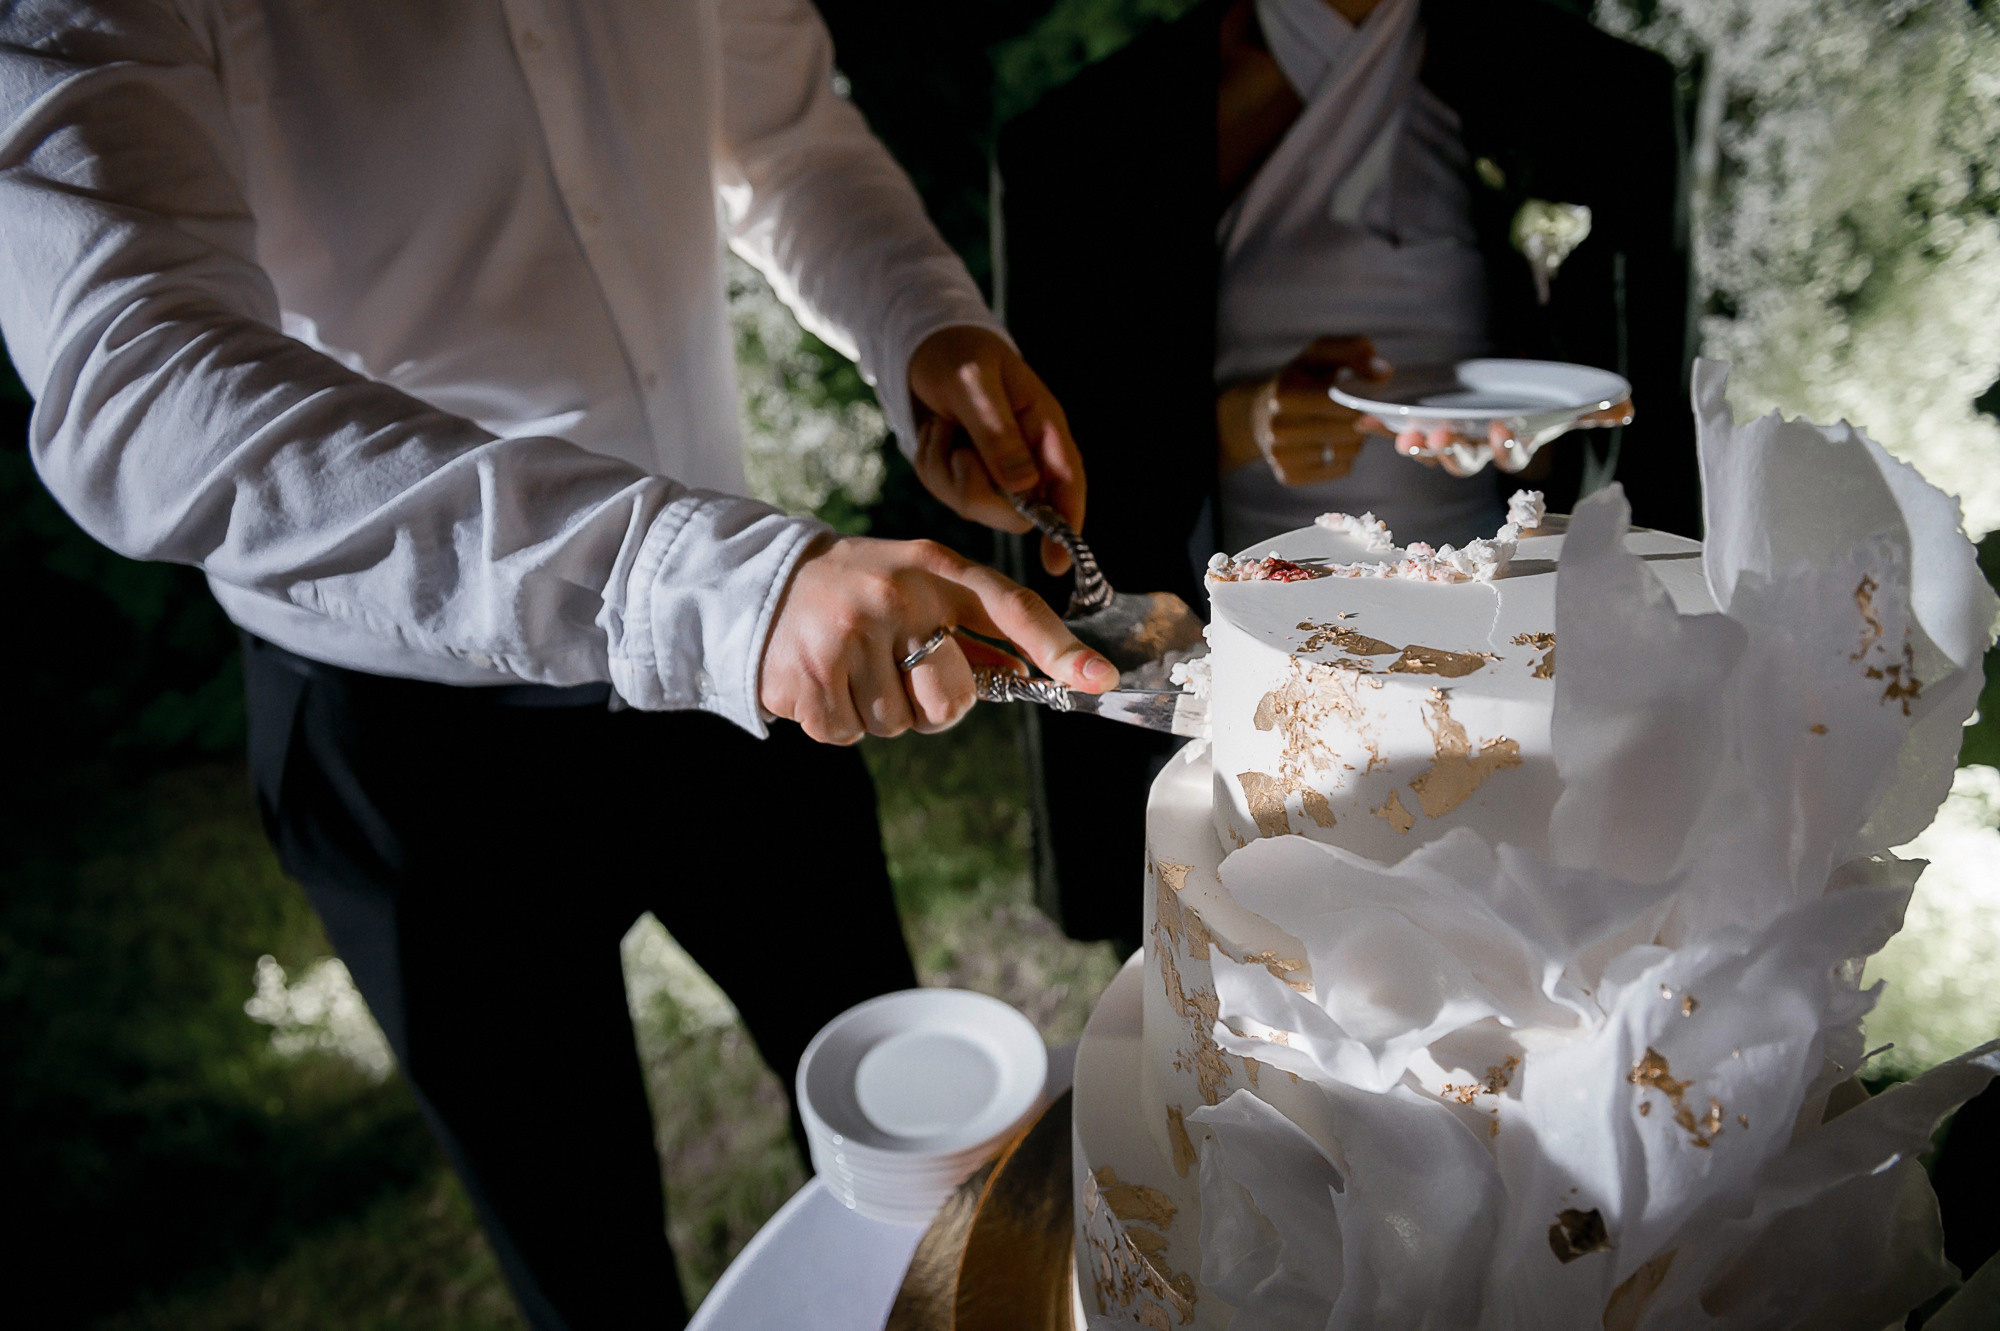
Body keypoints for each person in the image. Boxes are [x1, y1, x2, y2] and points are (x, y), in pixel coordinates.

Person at [0, 2, 1112, 1327]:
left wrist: (921, 320)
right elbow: (138, 377)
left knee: (928, 1150)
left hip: (738, 664)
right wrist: (703, 585)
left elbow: (779, 135)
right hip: (411, 737)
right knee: (591, 1279)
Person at [996, 0, 1697, 948]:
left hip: (1517, 649)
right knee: (1270, 967)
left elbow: (1651, 408)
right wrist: (1239, 422)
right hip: (1255, 662)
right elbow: (1051, 470)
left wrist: (1552, 434)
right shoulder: (1090, 137)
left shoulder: (1593, 94)